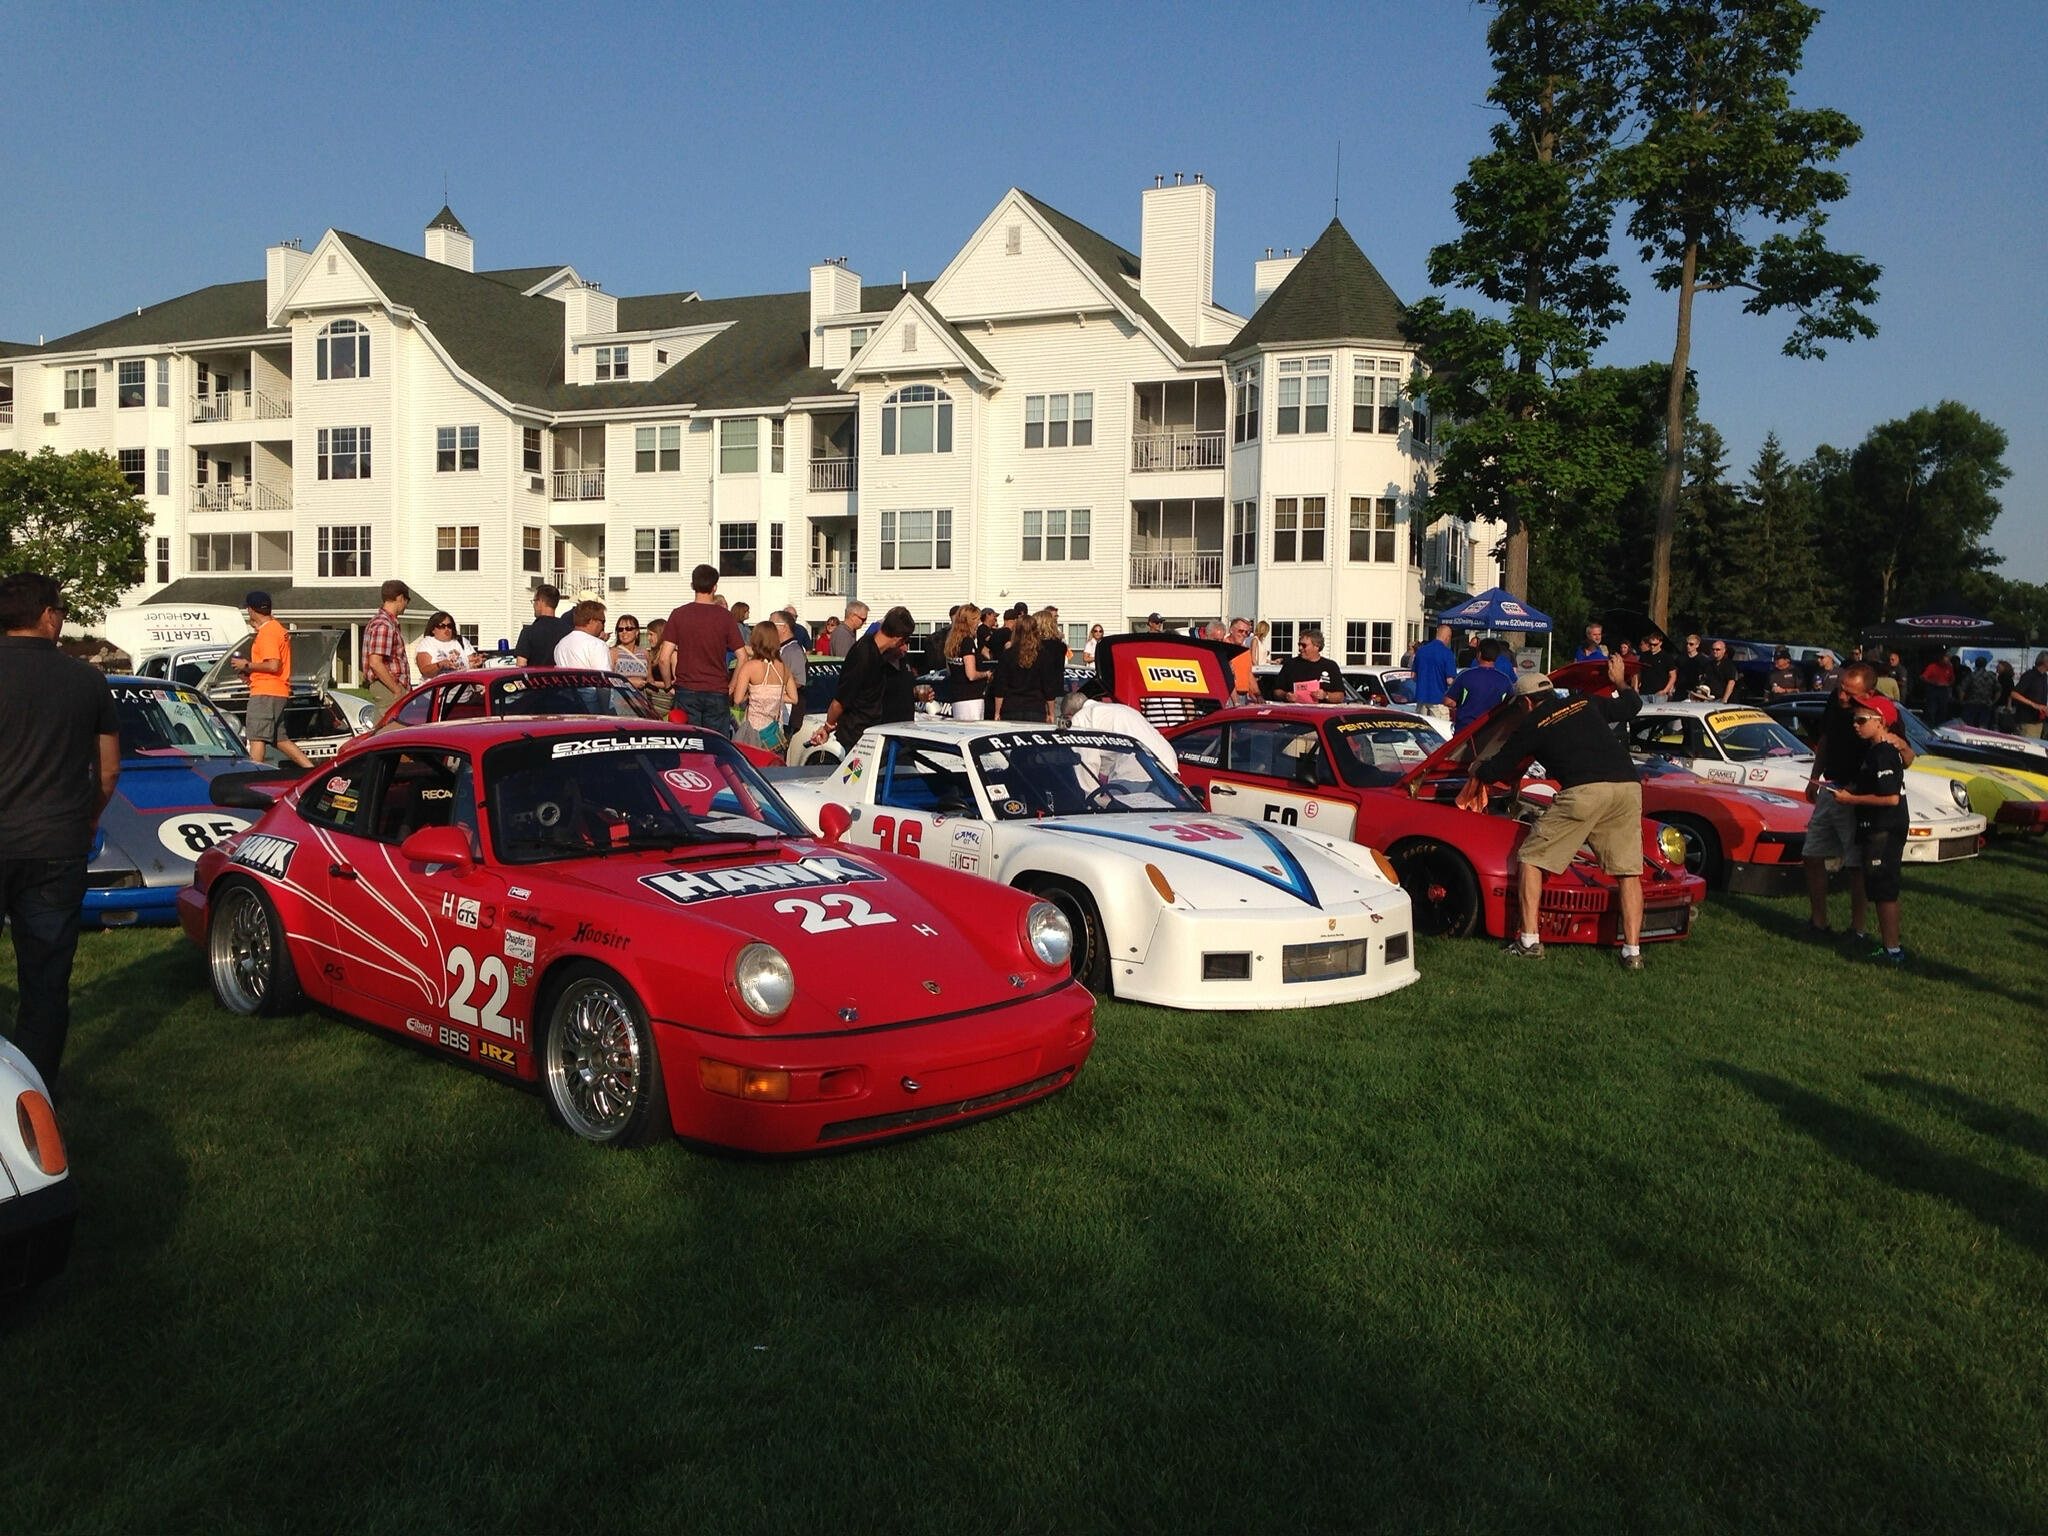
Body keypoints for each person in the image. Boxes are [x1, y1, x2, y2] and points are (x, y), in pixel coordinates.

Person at [0, 573, 120, 1089]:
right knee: (46, 984)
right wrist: (89, 816)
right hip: (56, 844)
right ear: (48, 614)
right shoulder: (86, 679)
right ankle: (35, 1096)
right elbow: (109, 770)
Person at [1458, 655, 1648, 968]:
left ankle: (1529, 941)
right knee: (1627, 872)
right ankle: (1632, 953)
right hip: (1627, 787)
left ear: (1526, 704)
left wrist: (1477, 767)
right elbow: (1631, 706)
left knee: (1532, 858)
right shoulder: (1586, 703)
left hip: (1584, 790)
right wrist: (1619, 681)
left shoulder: (1532, 724)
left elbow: (1497, 770)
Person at [1801, 660, 1914, 946]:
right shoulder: (1834, 703)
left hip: (1857, 796)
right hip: (1830, 786)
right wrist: (1815, 776)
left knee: (1855, 865)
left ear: (1870, 693)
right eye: (1840, 688)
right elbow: (1825, 739)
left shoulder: (1879, 714)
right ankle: (1818, 922)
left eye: (1850, 694)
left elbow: (1905, 756)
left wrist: (1899, 746)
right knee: (1812, 854)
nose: (1842, 697)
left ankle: (1858, 929)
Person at [1828, 696, 1911, 965]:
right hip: (1874, 827)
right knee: (1876, 886)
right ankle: (1889, 947)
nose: (1856, 725)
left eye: (1862, 720)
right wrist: (1849, 790)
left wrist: (1850, 800)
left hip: (1885, 828)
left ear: (1881, 722)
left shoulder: (1886, 752)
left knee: (1884, 889)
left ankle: (1893, 950)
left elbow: (1890, 799)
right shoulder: (1873, 752)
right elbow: (1869, 785)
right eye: (1855, 719)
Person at [809, 605, 917, 750]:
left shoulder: (880, 653)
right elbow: (840, 700)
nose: (905, 647)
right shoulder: (863, 655)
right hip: (857, 735)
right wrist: (827, 727)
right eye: (905, 641)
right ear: (898, 638)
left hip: (875, 731)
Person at [655, 564, 745, 736]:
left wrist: (668, 685)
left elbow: (664, 658)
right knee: (716, 746)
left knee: (688, 743)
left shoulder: (679, 615)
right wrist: (732, 685)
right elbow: (742, 656)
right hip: (717, 690)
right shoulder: (725, 617)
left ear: (692, 586)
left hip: (686, 689)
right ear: (715, 587)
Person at [231, 591, 314, 767]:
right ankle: (311, 771)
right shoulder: (277, 628)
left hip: (265, 693)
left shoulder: (267, 633)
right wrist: (251, 675)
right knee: (280, 738)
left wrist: (246, 665)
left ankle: (255, 777)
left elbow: (273, 665)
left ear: (251, 610)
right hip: (278, 691)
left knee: (256, 737)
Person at [1058, 687, 1178, 773]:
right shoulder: (1119, 708)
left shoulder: (1083, 716)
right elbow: (1108, 754)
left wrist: (1090, 797)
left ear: (1069, 715)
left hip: (1142, 771)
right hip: (1168, 763)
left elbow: (1086, 760)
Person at [729, 621, 796, 750]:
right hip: (775, 735)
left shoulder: (750, 666)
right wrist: (774, 696)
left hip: (753, 733)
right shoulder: (783, 668)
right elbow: (794, 698)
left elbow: (737, 699)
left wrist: (753, 693)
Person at [992, 608, 1057, 722]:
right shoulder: (1043, 655)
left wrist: (997, 712)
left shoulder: (1008, 654)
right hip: (1035, 708)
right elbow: (1048, 687)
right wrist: (1051, 712)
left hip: (1011, 707)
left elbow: (1000, 685)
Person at [361, 579, 413, 711]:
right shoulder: (384, 625)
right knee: (393, 729)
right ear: (400, 598)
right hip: (388, 687)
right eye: (407, 601)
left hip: (387, 686)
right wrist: (396, 690)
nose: (406, 605)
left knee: (382, 730)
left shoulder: (383, 622)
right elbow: (375, 662)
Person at [1448, 639, 1515, 731]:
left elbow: (1448, 700)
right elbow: (1511, 704)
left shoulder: (1465, 675)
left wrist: (1459, 703)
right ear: (1496, 656)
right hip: (1490, 730)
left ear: (1479, 654)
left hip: (1465, 730)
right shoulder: (1505, 680)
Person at [939, 605, 991, 721]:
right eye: (977, 619)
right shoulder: (967, 642)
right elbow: (971, 674)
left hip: (957, 696)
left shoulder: (952, 642)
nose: (978, 622)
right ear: (970, 621)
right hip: (971, 698)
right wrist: (986, 674)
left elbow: (949, 670)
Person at [1267, 629, 1346, 702]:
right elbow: (1276, 691)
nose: (1300, 648)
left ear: (1316, 646)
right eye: (1299, 644)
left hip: (1322, 713)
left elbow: (1340, 696)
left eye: (1304, 645)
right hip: (1295, 712)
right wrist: (1286, 695)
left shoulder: (1330, 666)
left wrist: (1326, 695)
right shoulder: (1290, 664)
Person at [772, 611, 810, 738]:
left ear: (784, 627)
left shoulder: (793, 651)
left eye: (772, 624)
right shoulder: (782, 648)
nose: (769, 628)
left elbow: (799, 681)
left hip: (789, 714)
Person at [513, 585, 569, 667]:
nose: (533, 605)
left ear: (540, 602)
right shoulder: (568, 631)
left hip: (536, 679)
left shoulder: (529, 632)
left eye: (534, 601)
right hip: (563, 678)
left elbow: (521, 665)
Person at [1411, 622, 1458, 721]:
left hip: (1421, 698)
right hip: (1438, 699)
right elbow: (1449, 680)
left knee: (1421, 730)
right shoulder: (1447, 653)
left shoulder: (1421, 651)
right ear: (1448, 637)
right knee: (1440, 732)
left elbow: (1413, 676)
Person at [553, 600, 613, 671]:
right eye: (603, 621)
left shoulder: (560, 645)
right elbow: (605, 677)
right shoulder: (597, 645)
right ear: (591, 621)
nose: (603, 626)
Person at [413, 611, 470, 681]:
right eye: (441, 626)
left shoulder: (461, 641)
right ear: (433, 629)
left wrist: (477, 662)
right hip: (437, 690)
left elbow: (472, 664)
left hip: (463, 689)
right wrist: (440, 665)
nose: (446, 629)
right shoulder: (426, 643)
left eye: (449, 626)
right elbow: (425, 671)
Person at [2011, 652, 2048, 739]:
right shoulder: (2030, 676)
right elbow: (2014, 693)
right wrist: (2033, 704)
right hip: (2027, 721)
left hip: (2039, 720)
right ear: (2045, 662)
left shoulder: (2044, 677)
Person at [1958, 656, 1999, 727]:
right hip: (1986, 704)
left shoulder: (1971, 675)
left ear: (1975, 664)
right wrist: (1993, 701)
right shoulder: (1991, 676)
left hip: (1971, 703)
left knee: (1968, 726)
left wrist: (1961, 701)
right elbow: (1998, 690)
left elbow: (1962, 689)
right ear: (1985, 665)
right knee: (1983, 726)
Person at [1226, 616, 1258, 704]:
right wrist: (1236, 702)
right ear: (1231, 630)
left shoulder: (1245, 650)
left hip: (1244, 697)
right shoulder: (1223, 647)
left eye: (1246, 632)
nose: (1244, 634)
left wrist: (1258, 695)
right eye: (1240, 631)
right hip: (1228, 697)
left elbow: (1249, 674)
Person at [609, 615, 650, 683]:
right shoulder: (613, 653)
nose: (624, 632)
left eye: (629, 628)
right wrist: (630, 682)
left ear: (637, 632)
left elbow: (649, 680)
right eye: (620, 629)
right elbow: (608, 680)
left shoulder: (645, 653)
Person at [1636, 633, 1675, 701]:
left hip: (1659, 695)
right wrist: (1636, 686)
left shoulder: (1666, 657)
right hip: (1644, 693)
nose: (1652, 647)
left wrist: (1665, 690)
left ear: (1660, 643)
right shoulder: (1643, 656)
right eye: (1650, 644)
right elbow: (1639, 672)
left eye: (1655, 644)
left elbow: (1673, 675)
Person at [1919, 651, 1956, 723]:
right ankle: (1931, 725)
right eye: (1945, 660)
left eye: (1948, 660)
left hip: (1944, 690)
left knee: (1943, 710)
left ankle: (1941, 725)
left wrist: (1947, 684)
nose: (1946, 662)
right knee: (1931, 710)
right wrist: (1933, 682)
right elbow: (1923, 677)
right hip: (1933, 690)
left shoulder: (1949, 668)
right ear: (1941, 659)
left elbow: (1952, 679)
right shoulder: (1932, 666)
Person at [1701, 639, 1739, 703]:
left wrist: (1724, 699)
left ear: (1724, 651)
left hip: (1723, 700)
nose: (1715, 651)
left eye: (1718, 649)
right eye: (1713, 649)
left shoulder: (1729, 665)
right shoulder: (1709, 664)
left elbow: (1731, 682)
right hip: (1710, 698)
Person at [1673, 634, 1707, 699]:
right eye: (1687, 644)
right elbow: (1675, 672)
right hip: (1680, 690)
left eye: (1691, 644)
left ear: (1697, 645)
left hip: (1695, 691)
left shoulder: (1703, 660)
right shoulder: (1680, 658)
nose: (1688, 646)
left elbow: (1705, 676)